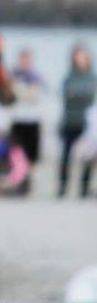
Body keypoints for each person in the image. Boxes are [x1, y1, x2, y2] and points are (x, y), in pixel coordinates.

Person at [57, 45, 97, 197]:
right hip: (70, 121)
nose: (80, 59)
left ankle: (84, 189)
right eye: (77, 56)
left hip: (87, 123)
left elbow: (89, 94)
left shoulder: (92, 77)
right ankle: (62, 187)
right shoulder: (69, 76)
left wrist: (76, 94)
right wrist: (79, 94)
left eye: (82, 56)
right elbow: (66, 94)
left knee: (88, 157)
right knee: (65, 156)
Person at [8, 47, 45, 166]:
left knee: (31, 158)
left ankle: (28, 181)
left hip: (33, 121)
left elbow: (34, 96)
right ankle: (19, 180)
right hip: (17, 120)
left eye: (27, 59)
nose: (25, 62)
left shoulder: (36, 76)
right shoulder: (12, 76)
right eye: (23, 59)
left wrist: (19, 90)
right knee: (16, 155)